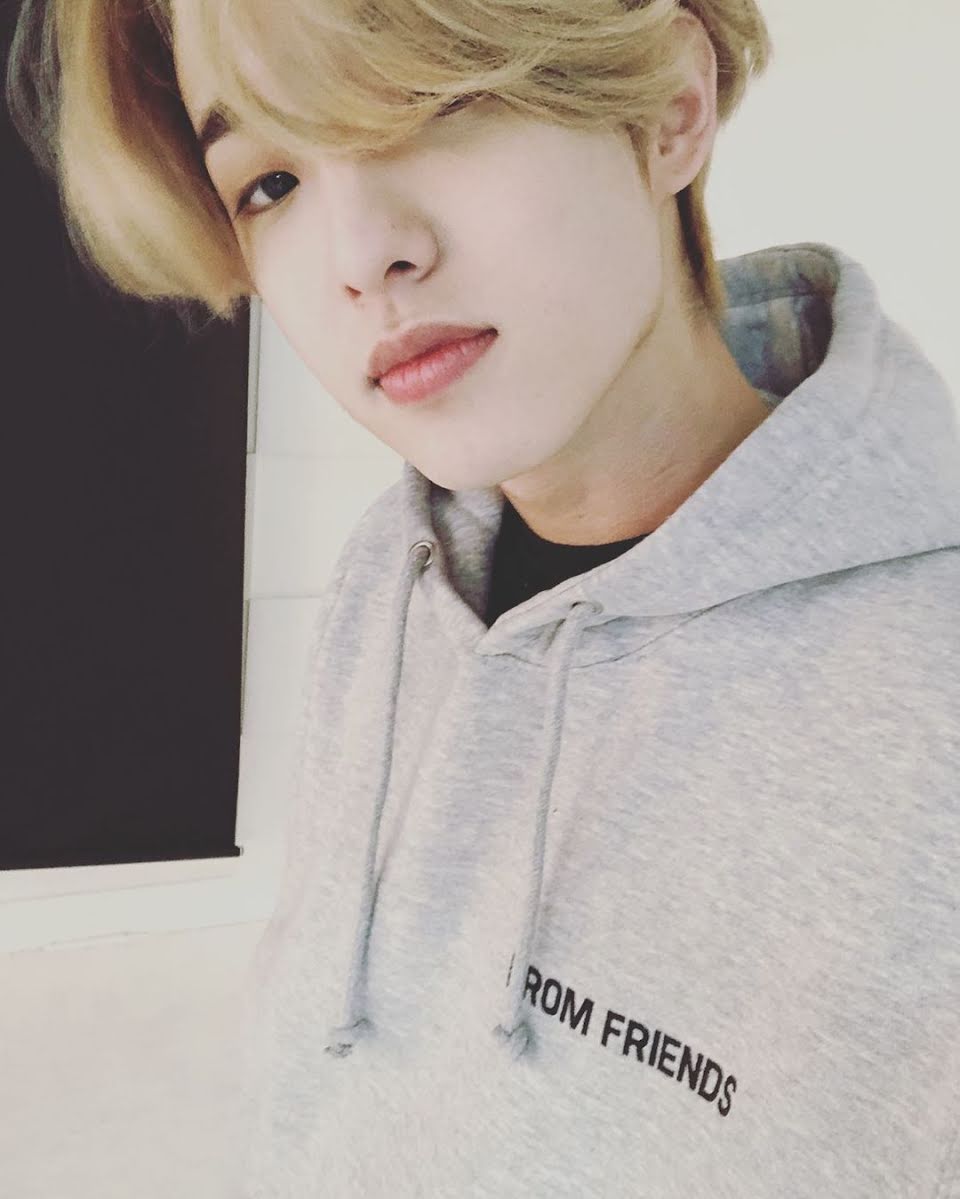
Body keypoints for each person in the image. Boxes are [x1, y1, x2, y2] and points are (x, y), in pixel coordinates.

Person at [9, 0, 959, 1194]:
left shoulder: (928, 706)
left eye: (428, 102)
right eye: (271, 183)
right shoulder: (393, 567)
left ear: (670, 106)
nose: (362, 256)